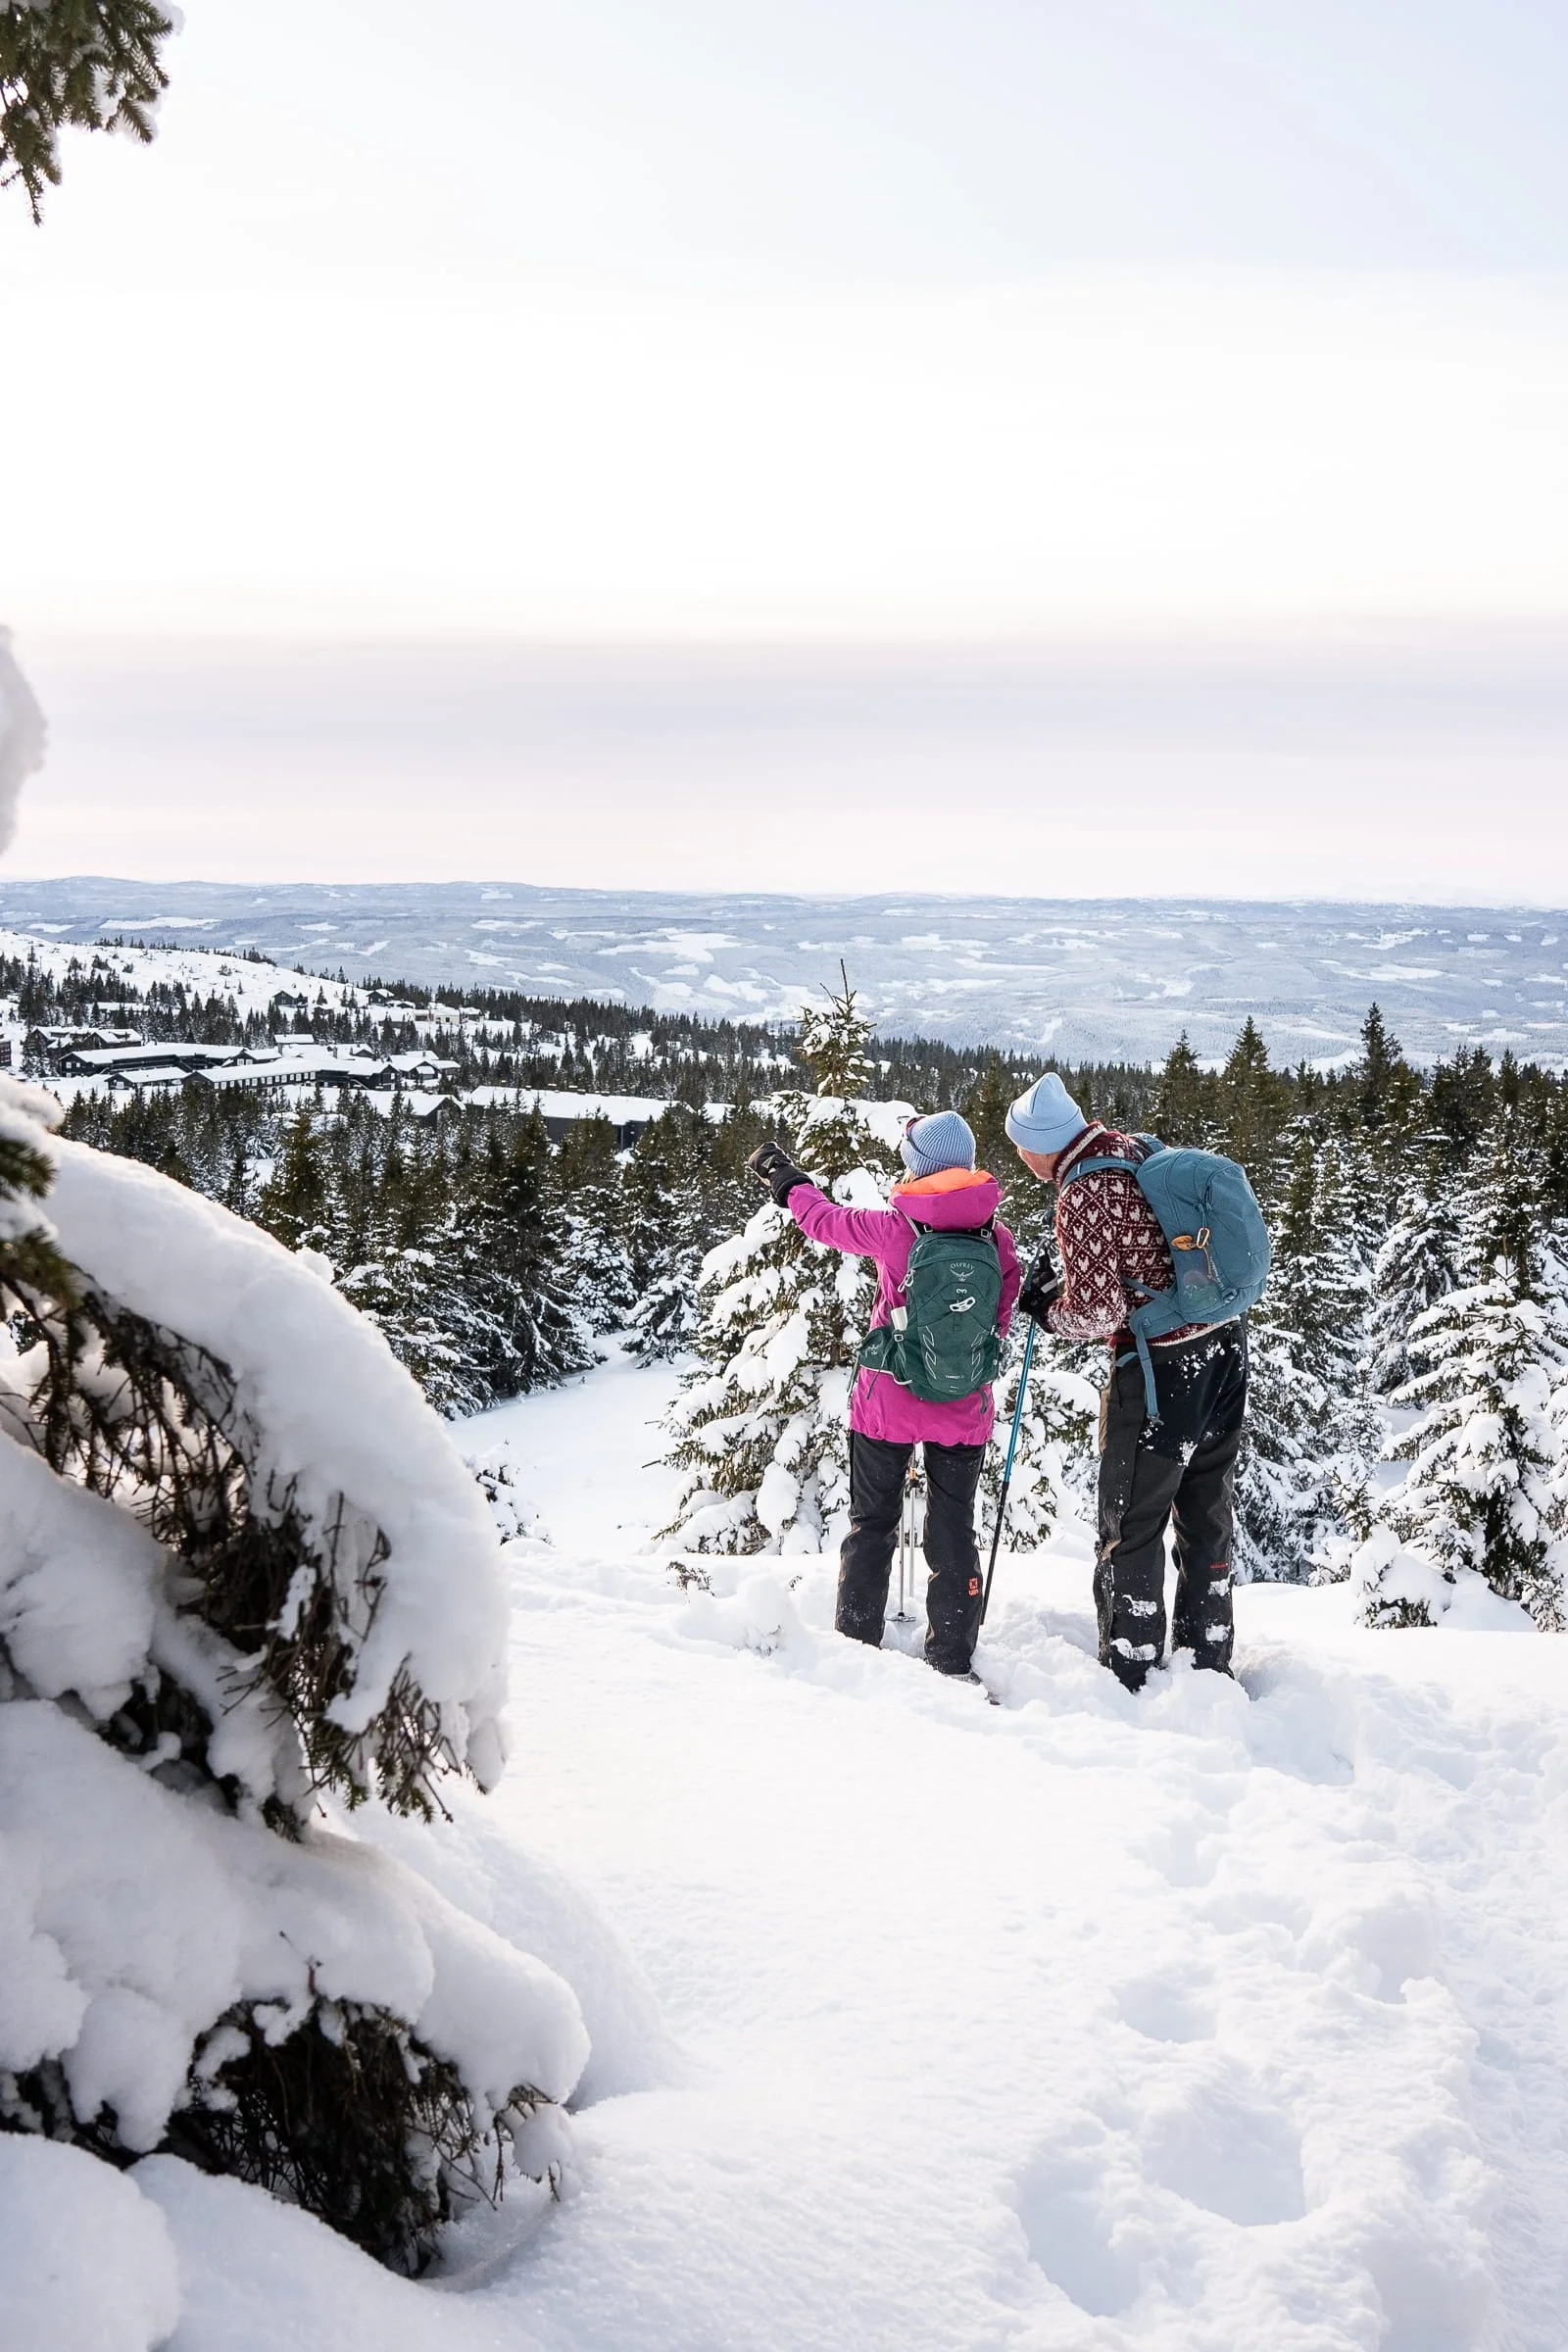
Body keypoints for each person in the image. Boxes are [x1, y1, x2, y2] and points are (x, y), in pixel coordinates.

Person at [748, 1110, 1020, 1679]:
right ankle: (950, 1655)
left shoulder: (894, 1228)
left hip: (886, 1404)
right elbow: (1001, 1317)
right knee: (954, 1530)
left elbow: (823, 1220)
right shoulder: (997, 1238)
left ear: (917, 1168)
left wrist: (786, 1179)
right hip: (964, 1408)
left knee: (872, 1523)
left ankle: (857, 1646)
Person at [1005, 1072, 1247, 1691]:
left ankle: (1131, 1668)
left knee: (1131, 1517)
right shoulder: (1133, 1147)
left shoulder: (1082, 1190)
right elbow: (1145, 1262)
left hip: (1161, 1369)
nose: (1020, 1158)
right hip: (1222, 1345)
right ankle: (1207, 1656)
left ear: (1039, 1145)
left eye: (1019, 1146)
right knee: (1205, 1509)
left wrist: (1045, 1311)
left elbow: (1098, 1310)